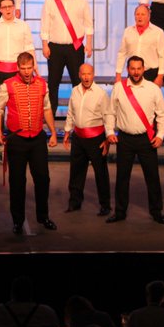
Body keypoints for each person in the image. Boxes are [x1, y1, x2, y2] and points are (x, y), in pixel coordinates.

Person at [0, 52, 59, 234]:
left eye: (30, 68)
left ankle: (43, 216)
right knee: (17, 181)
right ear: (18, 68)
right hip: (17, 139)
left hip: (37, 138)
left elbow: (47, 109)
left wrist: (53, 132)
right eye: (23, 68)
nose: (27, 71)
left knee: (43, 179)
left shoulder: (42, 84)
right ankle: (17, 220)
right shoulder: (7, 85)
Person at [106, 56, 164, 224]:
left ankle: (157, 212)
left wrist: (160, 135)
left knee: (152, 177)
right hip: (124, 139)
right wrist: (110, 131)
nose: (135, 72)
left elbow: (162, 114)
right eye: (132, 68)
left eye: (138, 68)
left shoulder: (153, 89)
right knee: (122, 177)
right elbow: (111, 112)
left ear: (144, 69)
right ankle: (120, 212)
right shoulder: (119, 88)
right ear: (128, 69)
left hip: (146, 140)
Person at [40, 0, 94, 115]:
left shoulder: (81, 0)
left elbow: (88, 24)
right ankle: (51, 122)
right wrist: (45, 45)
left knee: (78, 83)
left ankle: (79, 118)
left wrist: (88, 44)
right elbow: (45, 25)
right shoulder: (50, 1)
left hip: (74, 48)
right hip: (55, 48)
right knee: (53, 84)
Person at [63, 63, 113, 216]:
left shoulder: (101, 93)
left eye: (89, 74)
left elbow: (108, 116)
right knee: (76, 172)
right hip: (78, 138)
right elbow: (71, 112)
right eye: (83, 74)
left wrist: (108, 139)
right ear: (79, 75)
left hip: (96, 139)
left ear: (93, 75)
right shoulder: (75, 91)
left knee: (101, 173)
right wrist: (66, 131)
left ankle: (105, 205)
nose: (86, 77)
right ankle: (74, 203)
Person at [0, 0, 36, 90]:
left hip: (18, 72)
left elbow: (29, 48)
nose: (8, 9)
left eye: (10, 6)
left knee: (18, 103)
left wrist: (35, 69)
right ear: (0, 9)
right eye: (4, 7)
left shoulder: (23, 26)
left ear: (14, 7)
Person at [115, 5, 164, 85]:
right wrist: (118, 74)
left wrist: (160, 76)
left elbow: (163, 56)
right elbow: (122, 53)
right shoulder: (128, 31)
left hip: (151, 73)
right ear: (134, 16)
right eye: (137, 14)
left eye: (143, 14)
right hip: (132, 73)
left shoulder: (158, 32)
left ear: (149, 16)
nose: (140, 17)